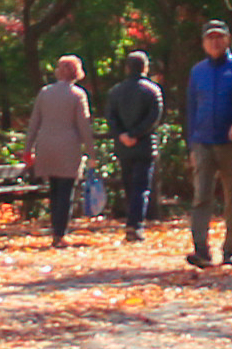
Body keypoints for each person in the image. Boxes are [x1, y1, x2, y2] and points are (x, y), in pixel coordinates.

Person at [182, 19, 232, 269]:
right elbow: (191, 108)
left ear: (227, 40)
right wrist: (191, 143)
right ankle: (201, 250)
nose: (214, 42)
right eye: (210, 38)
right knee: (201, 196)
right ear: (204, 43)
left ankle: (230, 250)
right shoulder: (198, 71)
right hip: (203, 141)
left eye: (219, 37)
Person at [25, 52, 92, 247]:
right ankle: (60, 234)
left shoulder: (44, 93)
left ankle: (55, 229)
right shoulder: (78, 95)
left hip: (45, 146)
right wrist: (91, 152)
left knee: (54, 190)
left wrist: (28, 148)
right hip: (68, 147)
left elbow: (34, 122)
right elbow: (84, 126)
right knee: (66, 191)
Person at [106, 50, 165, 244]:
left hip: (124, 146)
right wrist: (136, 134)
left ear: (127, 68)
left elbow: (111, 117)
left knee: (129, 185)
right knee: (141, 186)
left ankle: (132, 223)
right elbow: (153, 118)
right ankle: (135, 225)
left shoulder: (115, 91)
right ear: (145, 68)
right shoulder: (153, 90)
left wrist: (122, 134)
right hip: (145, 144)